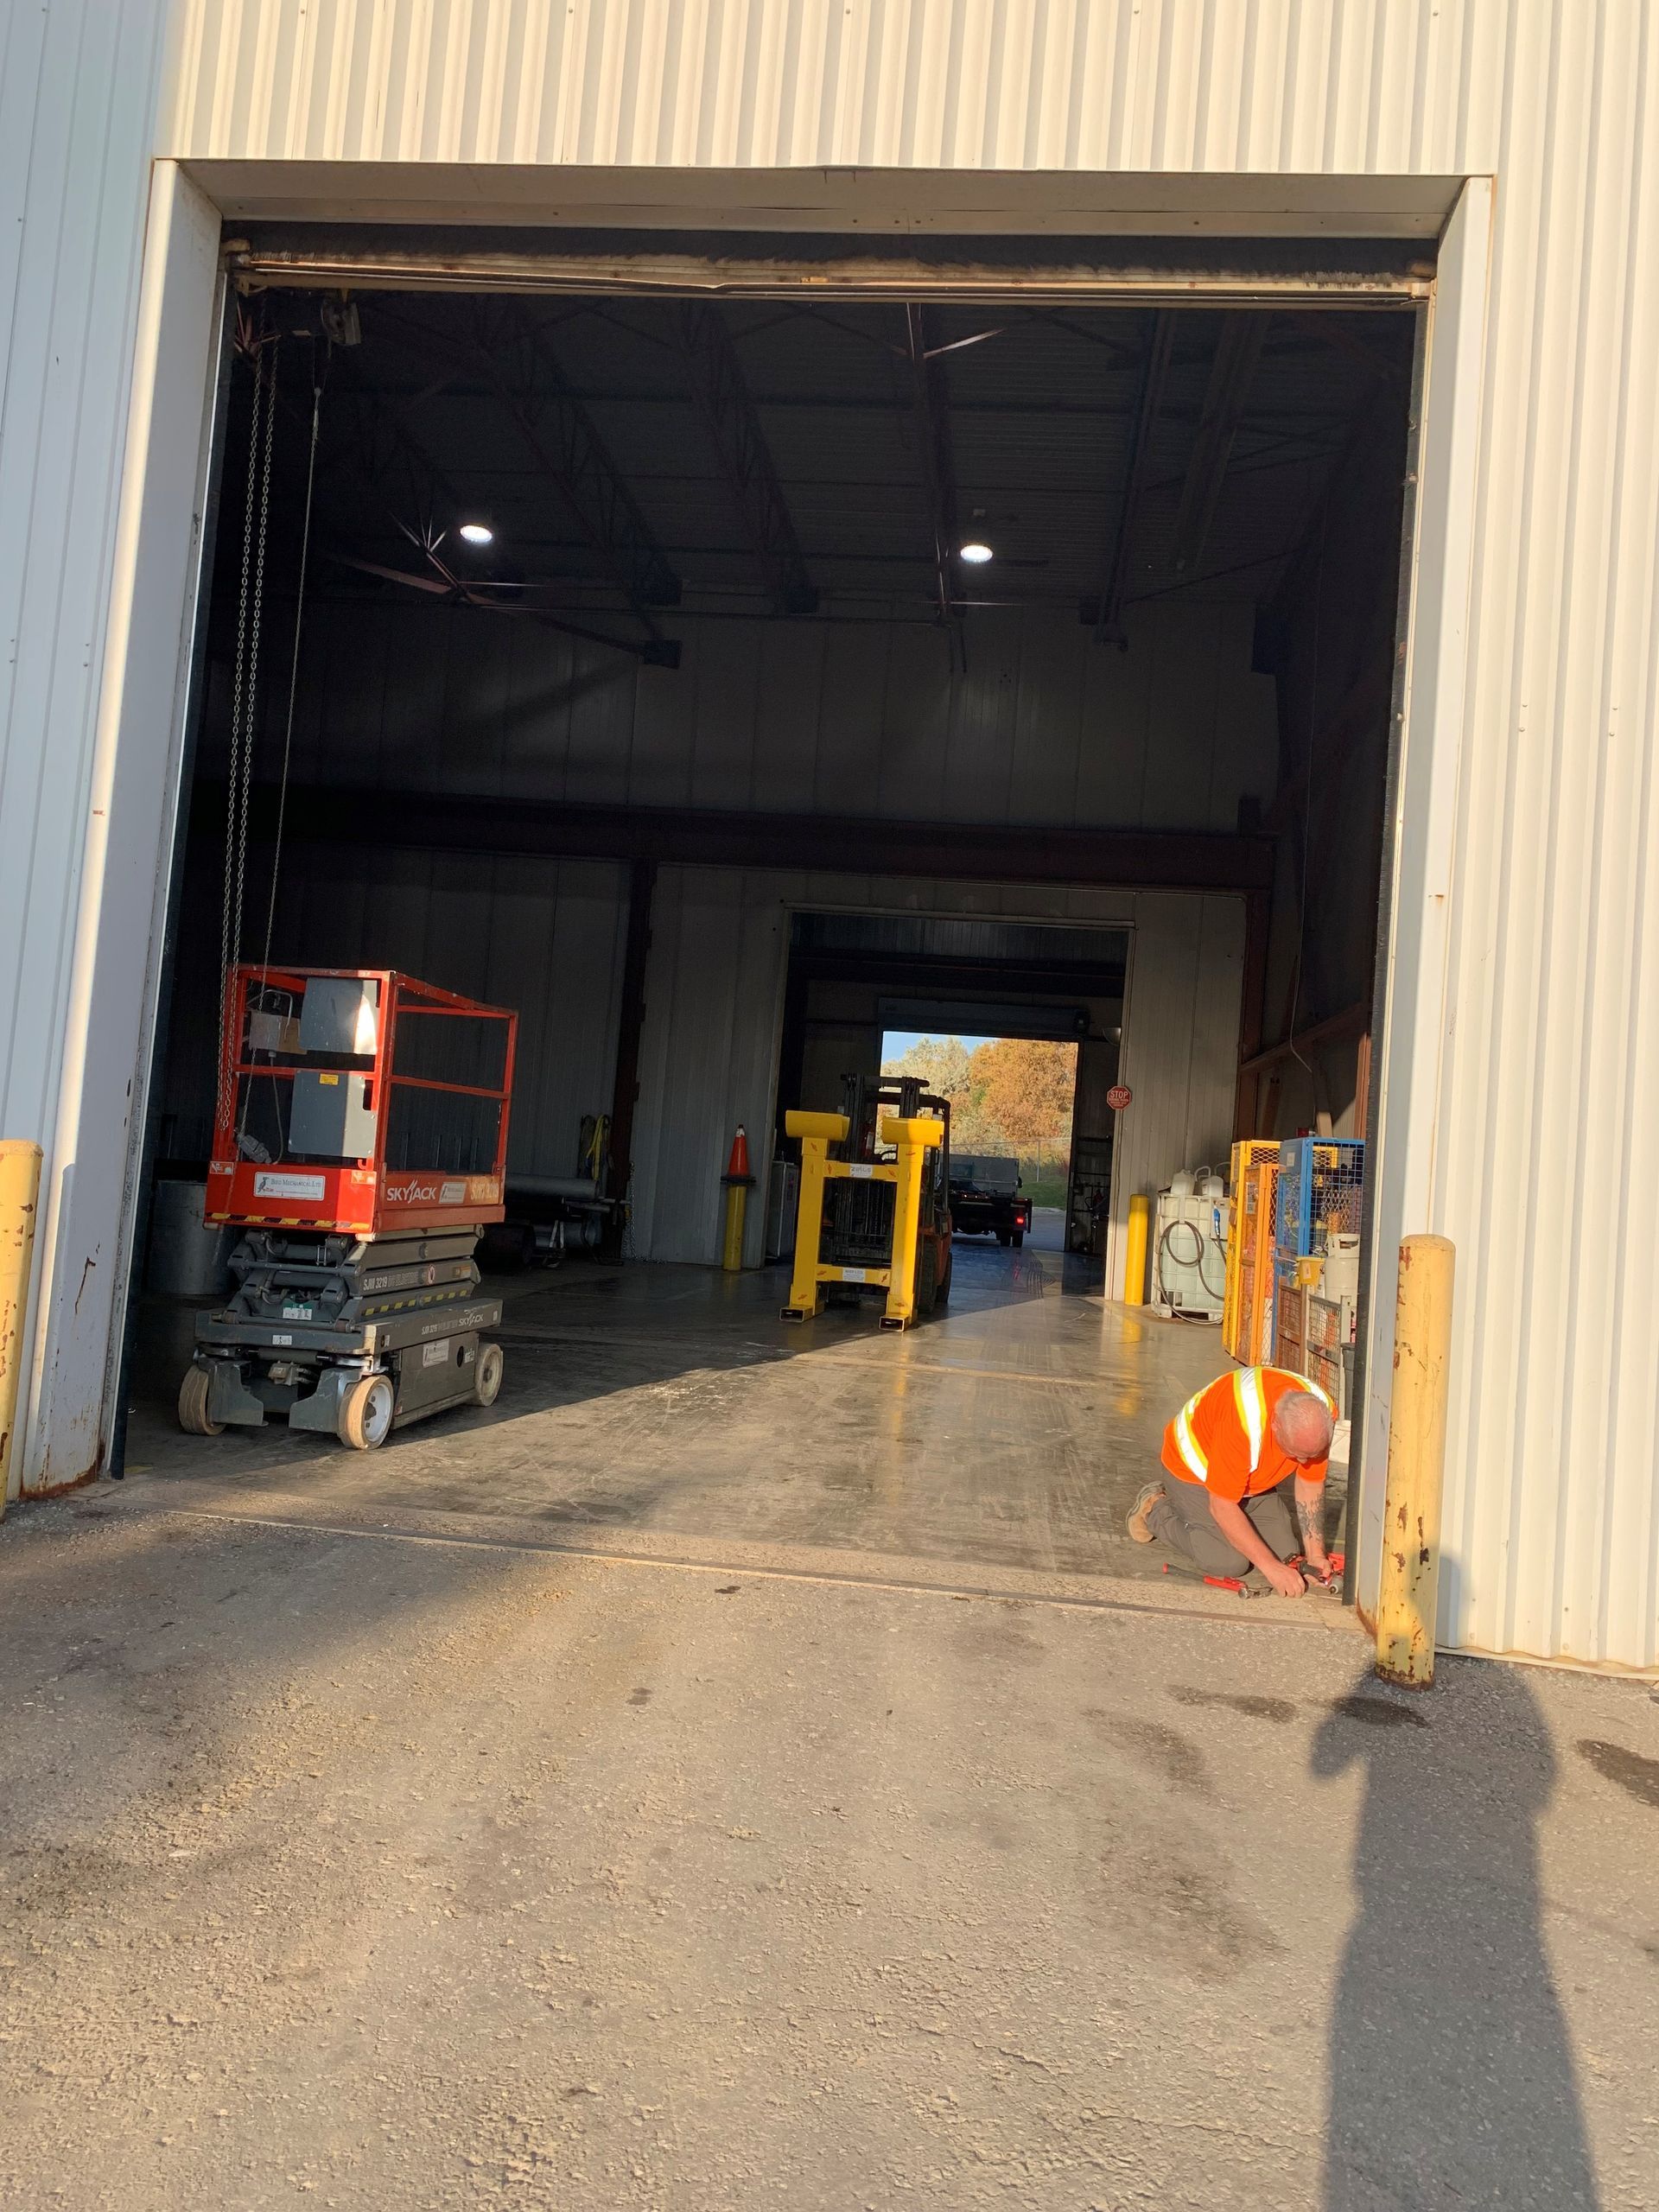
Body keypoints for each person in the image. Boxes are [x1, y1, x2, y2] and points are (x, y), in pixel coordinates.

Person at [1127, 1365, 1336, 1597]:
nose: (1302, 1461)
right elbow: (1222, 1505)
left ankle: (1253, 1521)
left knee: (1287, 1556)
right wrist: (1270, 1568)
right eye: (1295, 1453)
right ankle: (1156, 1509)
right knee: (1228, 1561)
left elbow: (1310, 1482)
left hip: (1251, 1484)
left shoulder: (1321, 1415)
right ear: (1275, 1425)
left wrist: (1316, 1555)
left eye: (1309, 1455)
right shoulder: (1242, 1424)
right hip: (1195, 1475)